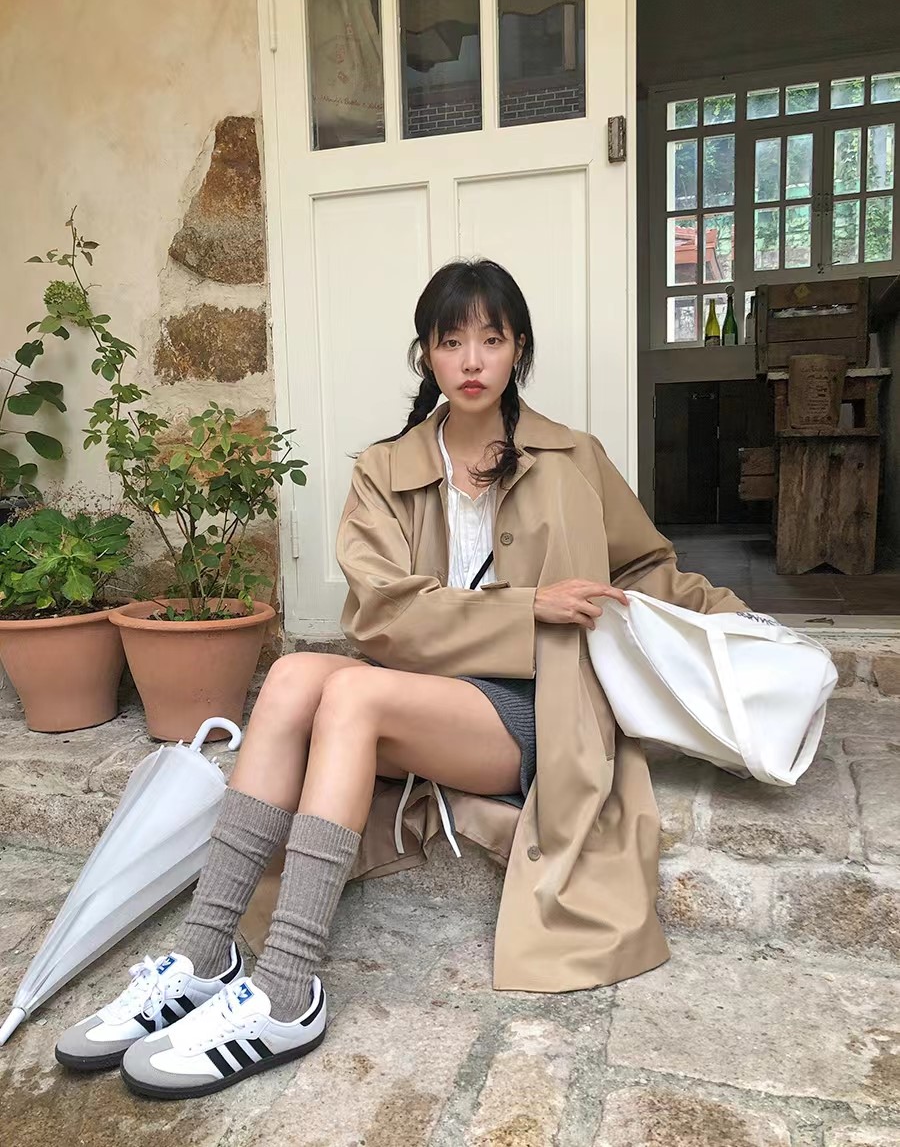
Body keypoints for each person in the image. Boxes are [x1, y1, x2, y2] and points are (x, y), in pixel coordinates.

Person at [55, 260, 745, 1099]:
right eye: (451, 341)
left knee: (352, 691)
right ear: (426, 355)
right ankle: (205, 953)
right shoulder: (385, 470)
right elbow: (383, 615)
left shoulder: (574, 458)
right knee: (292, 677)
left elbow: (644, 568)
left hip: (537, 709)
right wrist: (527, 606)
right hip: (425, 696)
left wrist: (743, 627)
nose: (472, 360)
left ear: (519, 348)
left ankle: (288, 987)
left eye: (492, 339)